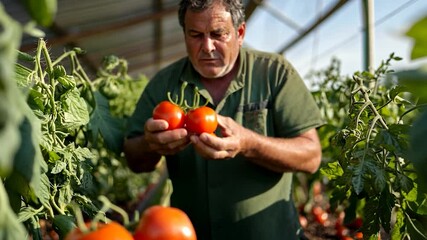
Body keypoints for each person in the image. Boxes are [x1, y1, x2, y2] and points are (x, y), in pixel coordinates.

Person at [123, 0, 324, 239]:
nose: (207, 47)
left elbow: (311, 156)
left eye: (218, 34)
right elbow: (134, 158)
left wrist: (249, 143)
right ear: (184, 34)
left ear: (239, 33)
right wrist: (149, 144)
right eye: (195, 35)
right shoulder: (164, 84)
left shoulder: (274, 73)